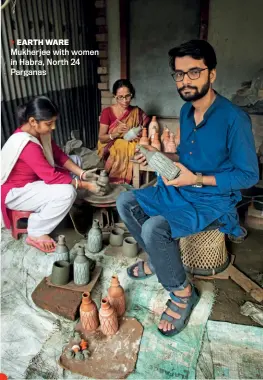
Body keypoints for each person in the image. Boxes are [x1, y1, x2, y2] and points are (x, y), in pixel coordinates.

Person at [116, 40, 259, 337]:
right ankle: (159, 261)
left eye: (194, 72)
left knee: (156, 227)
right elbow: (187, 157)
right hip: (181, 187)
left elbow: (248, 176)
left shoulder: (234, 118)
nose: (185, 81)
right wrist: (158, 157)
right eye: (179, 74)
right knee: (126, 201)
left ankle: (182, 292)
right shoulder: (185, 110)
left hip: (213, 198)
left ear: (212, 74)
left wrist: (196, 179)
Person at [1, 96, 106, 253]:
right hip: (15, 192)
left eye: (54, 122)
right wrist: (86, 185)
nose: (54, 127)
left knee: (76, 159)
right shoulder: (26, 144)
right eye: (49, 124)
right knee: (67, 192)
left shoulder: (39, 133)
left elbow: (58, 155)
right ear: (32, 122)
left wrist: (82, 174)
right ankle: (36, 232)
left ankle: (64, 204)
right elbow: (51, 176)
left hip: (33, 180)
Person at [97, 79, 150, 184]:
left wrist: (134, 133)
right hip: (110, 145)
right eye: (120, 97)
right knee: (121, 145)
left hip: (132, 143)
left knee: (141, 148)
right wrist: (116, 133)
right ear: (115, 96)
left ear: (132, 95)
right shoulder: (107, 112)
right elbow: (102, 138)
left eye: (128, 96)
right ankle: (117, 181)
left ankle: (132, 181)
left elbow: (144, 131)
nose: (125, 100)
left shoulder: (137, 112)